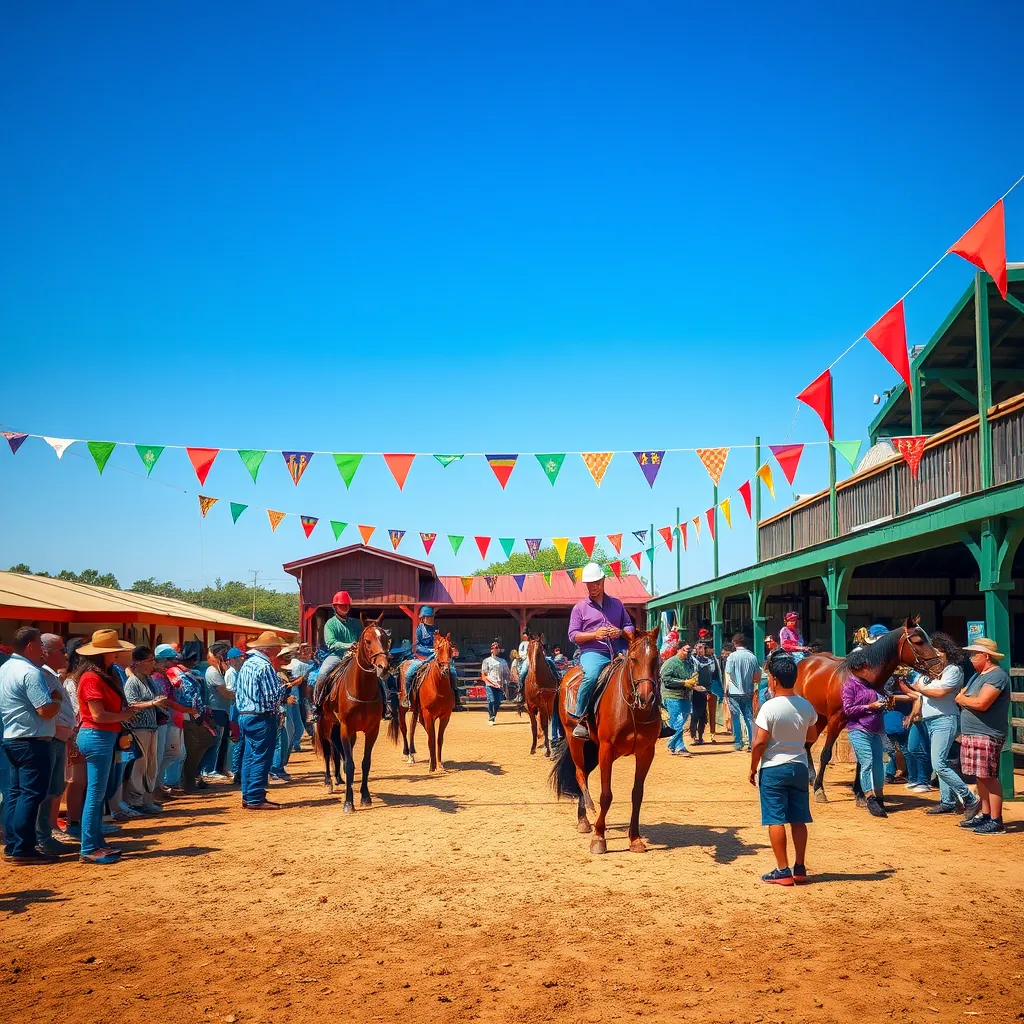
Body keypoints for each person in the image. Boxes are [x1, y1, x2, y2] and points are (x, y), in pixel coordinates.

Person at [749, 650, 818, 885]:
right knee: (798, 819)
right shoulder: (806, 705)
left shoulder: (769, 707)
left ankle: (782, 870)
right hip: (799, 766)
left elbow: (759, 743)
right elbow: (812, 736)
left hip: (773, 767)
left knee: (775, 819)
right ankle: (800, 867)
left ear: (774, 680)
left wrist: (752, 767)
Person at [72, 629, 138, 864]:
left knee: (96, 794)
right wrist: (123, 715)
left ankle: (95, 843)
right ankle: (89, 847)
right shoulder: (93, 678)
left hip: (99, 736)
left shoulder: (98, 675)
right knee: (95, 794)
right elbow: (98, 715)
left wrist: (121, 715)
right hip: (97, 735)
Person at [0, 627, 61, 864]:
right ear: (30, 646)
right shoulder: (29, 672)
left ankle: (15, 845)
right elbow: (45, 710)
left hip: (12, 738)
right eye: (40, 644)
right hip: (32, 740)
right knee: (31, 794)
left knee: (16, 793)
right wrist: (56, 698)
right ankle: (23, 848)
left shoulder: (5, 669)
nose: (43, 650)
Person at [903, 632, 980, 819]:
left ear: (945, 652)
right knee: (940, 762)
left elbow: (940, 692)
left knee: (938, 763)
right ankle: (947, 801)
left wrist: (920, 688)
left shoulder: (953, 670)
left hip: (945, 718)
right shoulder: (928, 673)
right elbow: (921, 693)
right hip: (930, 720)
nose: (935, 654)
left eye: (938, 651)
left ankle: (969, 798)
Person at [569, 563, 635, 738]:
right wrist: (594, 634)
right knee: (591, 676)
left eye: (596, 583)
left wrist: (620, 632)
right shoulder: (580, 608)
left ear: (603, 580)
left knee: (642, 670)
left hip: (619, 649)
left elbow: (628, 625)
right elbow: (573, 635)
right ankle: (581, 718)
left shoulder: (617, 604)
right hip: (593, 652)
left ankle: (656, 715)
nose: (593, 587)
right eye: (589, 584)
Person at [956, 637, 1011, 835]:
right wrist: (965, 699)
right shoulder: (978, 676)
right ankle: (986, 815)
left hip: (987, 733)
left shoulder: (997, 676)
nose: (970, 658)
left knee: (988, 776)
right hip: (973, 732)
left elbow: (981, 703)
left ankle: (996, 820)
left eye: (974, 654)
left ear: (985, 656)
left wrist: (963, 699)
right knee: (980, 776)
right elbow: (966, 698)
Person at [234, 631, 290, 810]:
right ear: (269, 649)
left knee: (250, 756)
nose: (280, 650)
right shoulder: (265, 667)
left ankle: (248, 794)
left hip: (245, 714)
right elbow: (271, 695)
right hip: (261, 715)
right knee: (261, 756)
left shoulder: (247, 664)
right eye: (277, 647)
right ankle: (256, 796)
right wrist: (287, 688)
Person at [36, 634, 74, 855]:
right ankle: (41, 837)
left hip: (58, 737)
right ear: (46, 652)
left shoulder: (50, 675)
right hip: (50, 737)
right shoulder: (41, 675)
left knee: (54, 788)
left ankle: (45, 833)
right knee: (46, 790)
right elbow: (48, 709)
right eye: (61, 650)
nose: (65, 655)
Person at [841, 647, 888, 818]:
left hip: (875, 728)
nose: (866, 670)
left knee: (878, 763)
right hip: (859, 728)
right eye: (862, 668)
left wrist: (883, 703)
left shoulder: (872, 684)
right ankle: (870, 798)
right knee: (867, 762)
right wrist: (869, 707)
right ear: (854, 670)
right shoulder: (849, 685)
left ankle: (879, 796)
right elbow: (847, 710)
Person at [122, 646, 166, 813]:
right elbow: (132, 704)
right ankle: (135, 800)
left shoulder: (149, 680)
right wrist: (153, 703)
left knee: (150, 764)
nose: (153, 664)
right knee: (139, 765)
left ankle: (147, 799)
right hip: (139, 727)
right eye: (150, 661)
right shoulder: (132, 681)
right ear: (139, 662)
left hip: (151, 727)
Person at [174, 650, 216, 794]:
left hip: (195, 713)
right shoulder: (176, 673)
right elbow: (187, 696)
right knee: (190, 748)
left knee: (206, 740)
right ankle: (187, 781)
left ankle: (189, 778)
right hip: (186, 714)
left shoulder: (192, 673)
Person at [310, 591, 360, 714]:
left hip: (356, 656)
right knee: (322, 673)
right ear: (335, 606)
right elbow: (331, 643)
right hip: (337, 655)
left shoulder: (357, 623)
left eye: (347, 605)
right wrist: (348, 645)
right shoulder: (330, 624)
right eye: (341, 605)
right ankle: (317, 705)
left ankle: (385, 705)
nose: (345, 607)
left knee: (377, 674)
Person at [403, 607, 461, 708]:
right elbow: (417, 647)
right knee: (409, 674)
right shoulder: (419, 630)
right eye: (428, 617)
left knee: (453, 672)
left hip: (437, 657)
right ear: (423, 618)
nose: (431, 619)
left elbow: (441, 642)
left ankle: (456, 697)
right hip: (422, 658)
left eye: (432, 617)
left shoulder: (436, 630)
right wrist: (430, 651)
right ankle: (407, 697)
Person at [200, 643, 235, 781]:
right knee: (216, 741)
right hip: (216, 710)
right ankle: (209, 769)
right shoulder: (212, 672)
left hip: (224, 710)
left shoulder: (221, 671)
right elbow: (226, 693)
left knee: (223, 742)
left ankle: (220, 768)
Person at [725, 634, 760, 752]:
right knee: (749, 717)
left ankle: (738, 743)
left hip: (734, 691)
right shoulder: (752, 657)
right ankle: (752, 742)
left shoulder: (731, 657)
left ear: (734, 643)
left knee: (735, 717)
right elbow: (757, 677)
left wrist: (726, 690)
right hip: (748, 691)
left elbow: (728, 674)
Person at [660, 642, 696, 756]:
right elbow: (666, 679)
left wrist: (694, 683)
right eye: (685, 650)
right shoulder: (670, 663)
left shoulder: (689, 663)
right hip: (671, 695)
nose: (688, 652)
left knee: (682, 720)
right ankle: (680, 747)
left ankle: (671, 743)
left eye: (689, 650)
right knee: (678, 721)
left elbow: (692, 676)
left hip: (685, 696)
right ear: (678, 650)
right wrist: (683, 682)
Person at [689, 642, 720, 745]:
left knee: (704, 714)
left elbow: (713, 670)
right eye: (699, 648)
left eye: (703, 648)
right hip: (694, 689)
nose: (701, 650)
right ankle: (693, 735)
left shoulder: (711, 659)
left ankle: (703, 736)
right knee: (695, 714)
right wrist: (693, 656)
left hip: (707, 689)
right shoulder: (692, 659)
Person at [223, 647, 246, 783]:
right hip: (235, 711)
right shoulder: (231, 673)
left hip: (240, 709)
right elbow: (231, 693)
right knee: (237, 741)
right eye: (237, 658)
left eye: (240, 657)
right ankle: (236, 771)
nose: (240, 660)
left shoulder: (239, 672)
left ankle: (239, 771)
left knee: (242, 742)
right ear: (231, 660)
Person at [480, 642, 510, 724]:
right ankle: (491, 717)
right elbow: (483, 674)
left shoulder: (503, 662)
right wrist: (486, 680)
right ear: (491, 650)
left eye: (497, 648)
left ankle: (494, 715)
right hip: (490, 683)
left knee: (498, 702)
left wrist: (507, 681)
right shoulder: (486, 661)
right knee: (491, 700)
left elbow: (507, 673)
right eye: (494, 648)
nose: (495, 649)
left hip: (499, 684)